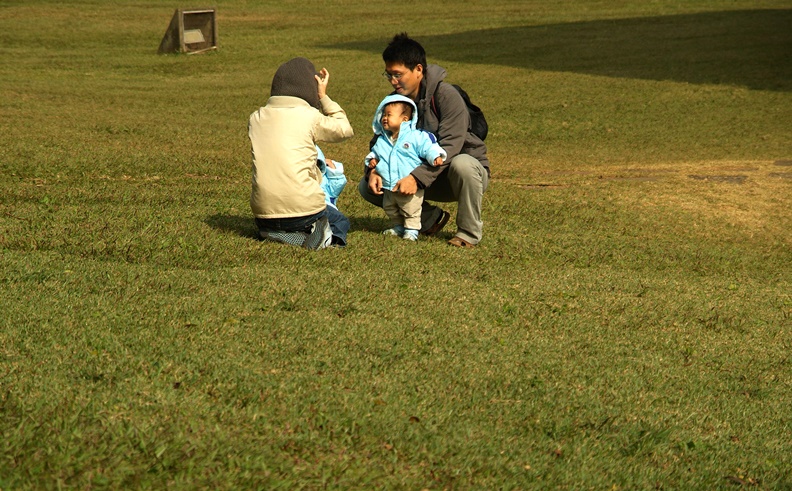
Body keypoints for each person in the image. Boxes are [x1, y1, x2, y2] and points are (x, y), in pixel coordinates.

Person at [358, 33, 490, 248]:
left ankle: (468, 234)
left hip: (456, 177)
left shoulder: (446, 96)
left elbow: (451, 147)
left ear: (418, 70)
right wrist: (372, 171)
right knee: (367, 186)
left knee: (463, 164)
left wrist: (415, 178)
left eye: (398, 74)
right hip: (419, 177)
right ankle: (430, 220)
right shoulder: (395, 102)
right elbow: (380, 141)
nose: (393, 81)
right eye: (389, 74)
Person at [249, 57, 354, 249]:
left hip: (263, 213)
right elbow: (345, 129)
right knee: (340, 221)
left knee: (283, 220)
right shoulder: (308, 116)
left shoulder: (256, 118)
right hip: (304, 211)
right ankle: (324, 239)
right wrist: (323, 97)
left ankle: (275, 233)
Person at [365, 94, 446, 241]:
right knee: (390, 207)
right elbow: (375, 152)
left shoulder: (416, 136)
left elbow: (428, 147)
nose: (384, 117)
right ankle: (398, 226)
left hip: (409, 184)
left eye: (389, 115)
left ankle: (412, 230)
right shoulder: (383, 140)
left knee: (411, 209)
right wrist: (372, 161)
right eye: (383, 114)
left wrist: (435, 156)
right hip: (389, 184)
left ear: (405, 119)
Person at [316, 146, 350, 246]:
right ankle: (335, 239)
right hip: (320, 206)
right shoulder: (320, 179)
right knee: (340, 220)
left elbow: (337, 185)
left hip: (319, 207)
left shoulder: (324, 178)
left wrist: (334, 170)